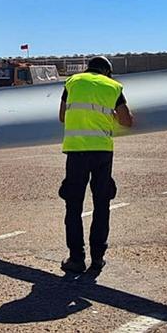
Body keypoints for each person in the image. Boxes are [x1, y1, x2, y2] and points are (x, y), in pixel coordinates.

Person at [57, 56, 133, 273]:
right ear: (107, 72)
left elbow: (62, 116)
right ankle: (98, 258)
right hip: (101, 152)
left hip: (75, 151)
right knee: (101, 204)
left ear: (88, 69)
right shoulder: (114, 86)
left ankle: (76, 258)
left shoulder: (72, 82)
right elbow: (126, 121)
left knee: (73, 206)